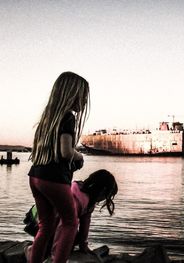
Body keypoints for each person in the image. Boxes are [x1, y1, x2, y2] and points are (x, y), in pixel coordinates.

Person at [28, 71, 90, 263]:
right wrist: (79, 155)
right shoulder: (68, 117)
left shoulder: (47, 119)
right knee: (71, 222)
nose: (85, 100)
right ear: (72, 94)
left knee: (45, 225)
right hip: (54, 179)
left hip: (36, 175)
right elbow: (65, 152)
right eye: (83, 95)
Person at [25, 169, 118, 261]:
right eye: (107, 196)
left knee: (73, 239)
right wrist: (56, 255)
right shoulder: (77, 198)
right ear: (103, 191)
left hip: (51, 222)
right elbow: (63, 226)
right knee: (46, 251)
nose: (104, 200)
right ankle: (29, 250)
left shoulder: (89, 200)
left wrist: (83, 245)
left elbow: (85, 223)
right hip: (38, 220)